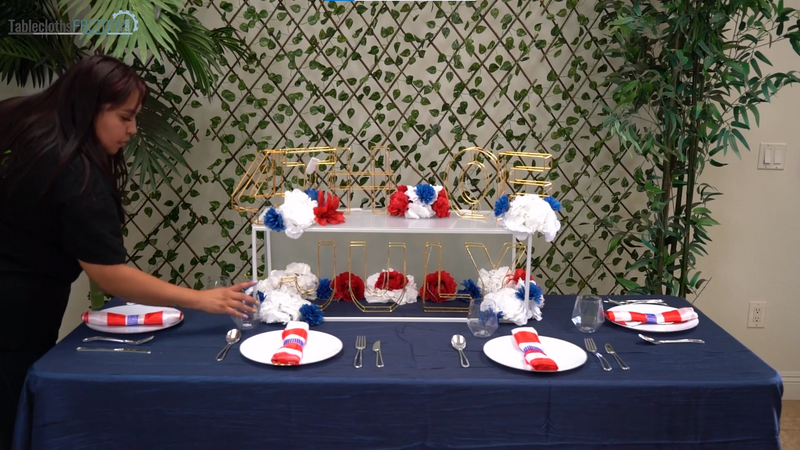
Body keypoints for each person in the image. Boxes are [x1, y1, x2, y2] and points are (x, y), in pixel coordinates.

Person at [0, 55, 257, 450]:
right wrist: (201, 300)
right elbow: (110, 274)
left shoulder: (18, 119)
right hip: (15, 318)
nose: (134, 130)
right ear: (89, 108)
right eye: (125, 117)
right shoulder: (76, 173)